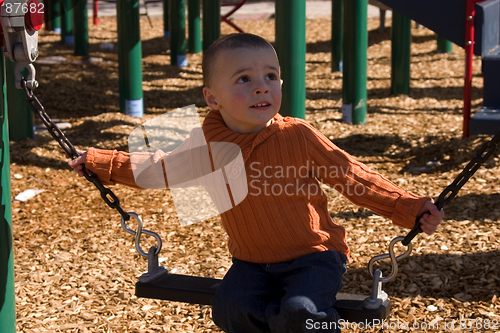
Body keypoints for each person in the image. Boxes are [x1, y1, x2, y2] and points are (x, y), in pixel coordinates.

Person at [69, 33, 444, 333]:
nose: (262, 87)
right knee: (231, 308)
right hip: (250, 261)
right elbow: (159, 169)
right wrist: (101, 162)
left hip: (314, 257)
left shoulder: (297, 136)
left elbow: (352, 176)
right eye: (244, 79)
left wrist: (408, 207)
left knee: (302, 313)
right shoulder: (209, 147)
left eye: (270, 76)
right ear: (212, 98)